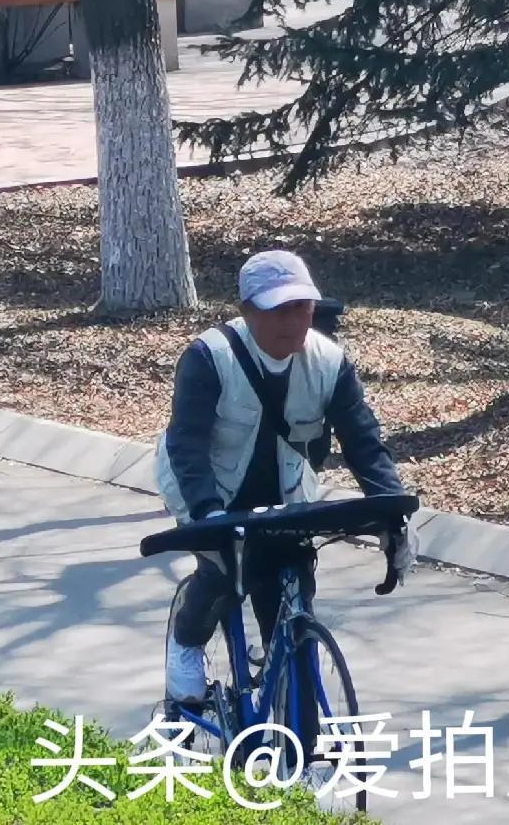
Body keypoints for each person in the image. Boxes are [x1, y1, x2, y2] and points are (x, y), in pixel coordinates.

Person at [156, 249, 414, 717]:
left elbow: (364, 441)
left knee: (291, 585)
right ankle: (187, 640)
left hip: (286, 491)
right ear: (247, 310)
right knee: (223, 572)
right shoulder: (208, 357)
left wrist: (391, 509)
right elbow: (187, 445)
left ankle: (291, 695)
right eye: (279, 309)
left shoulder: (329, 362)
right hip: (207, 485)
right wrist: (208, 514)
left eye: (302, 306)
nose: (294, 320)